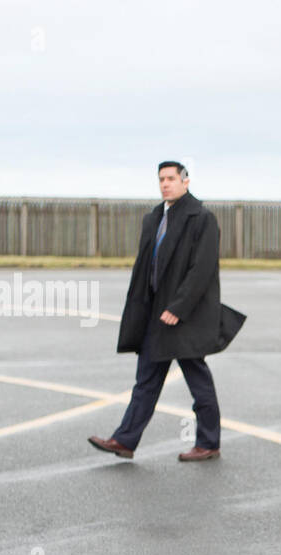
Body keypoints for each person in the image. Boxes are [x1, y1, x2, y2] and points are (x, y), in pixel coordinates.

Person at [89, 161, 242, 462]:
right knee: (146, 381)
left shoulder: (202, 218)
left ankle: (209, 443)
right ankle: (124, 440)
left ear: (186, 181)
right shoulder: (155, 217)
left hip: (184, 317)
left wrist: (179, 308)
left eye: (171, 178)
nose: (165, 184)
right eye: (161, 179)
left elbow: (203, 268)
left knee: (198, 381)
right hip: (155, 315)